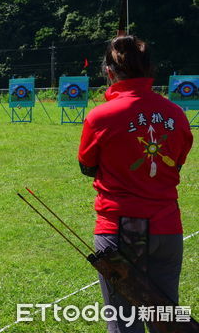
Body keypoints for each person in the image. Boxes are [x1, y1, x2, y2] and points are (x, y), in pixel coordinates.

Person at [78, 36, 193, 332]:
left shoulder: (100, 116)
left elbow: (87, 167)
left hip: (119, 230)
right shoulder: (176, 115)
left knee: (123, 320)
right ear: (150, 69)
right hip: (166, 229)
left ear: (108, 71)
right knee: (166, 319)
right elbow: (175, 163)